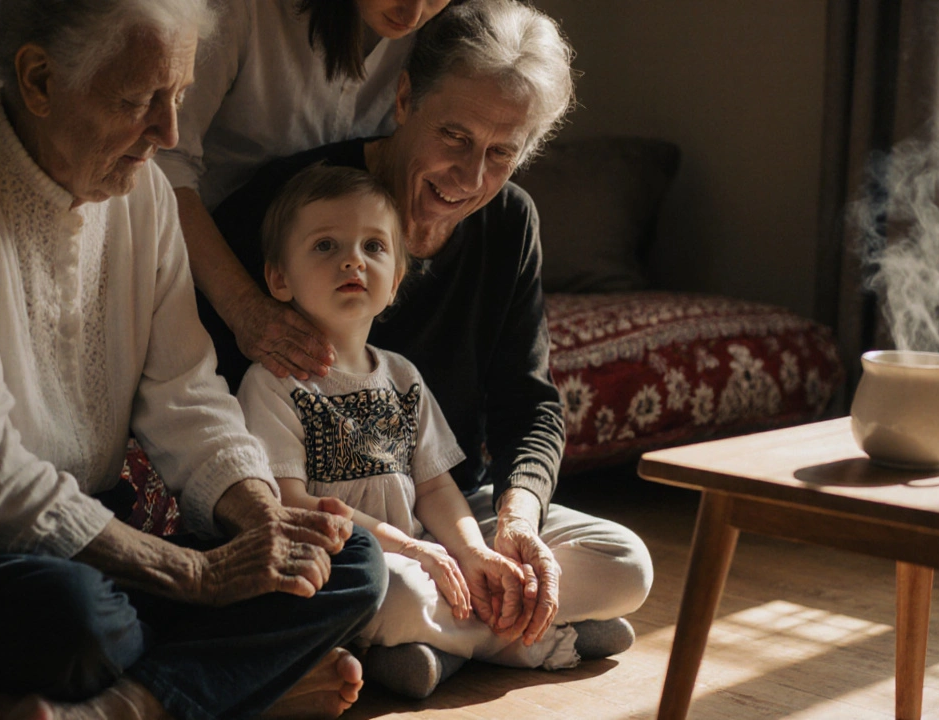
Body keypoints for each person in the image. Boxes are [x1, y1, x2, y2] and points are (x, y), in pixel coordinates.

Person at [0, 1, 387, 719]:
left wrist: (262, 521)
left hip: (73, 546)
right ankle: (236, 686)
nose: (169, 132)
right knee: (79, 620)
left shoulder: (146, 194)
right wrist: (197, 575)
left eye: (179, 96)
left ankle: (119, 708)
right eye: (139, 99)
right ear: (39, 79)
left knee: (350, 563)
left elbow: (185, 396)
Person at [209, 0, 656, 676]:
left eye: (501, 153)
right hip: (344, 533)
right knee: (373, 586)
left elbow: (529, 404)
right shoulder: (305, 206)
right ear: (404, 99)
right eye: (454, 136)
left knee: (628, 564)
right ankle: (520, 634)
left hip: (452, 511)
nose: (470, 177)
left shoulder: (509, 223)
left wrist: (517, 523)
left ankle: (442, 644)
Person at [237, 164, 618, 699]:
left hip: (425, 551)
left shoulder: (403, 377)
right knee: (394, 594)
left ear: (395, 281)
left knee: (626, 563)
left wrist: (473, 555)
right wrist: (414, 552)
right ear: (279, 279)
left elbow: (437, 488)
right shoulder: (271, 383)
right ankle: (536, 640)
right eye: (325, 245)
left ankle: (439, 648)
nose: (352, 260)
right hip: (359, 563)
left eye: (373, 247)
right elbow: (294, 506)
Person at [156, 0, 457, 387]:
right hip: (202, 272)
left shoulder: (437, 37)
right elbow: (165, 162)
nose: (413, 15)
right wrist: (242, 306)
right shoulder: (246, 11)